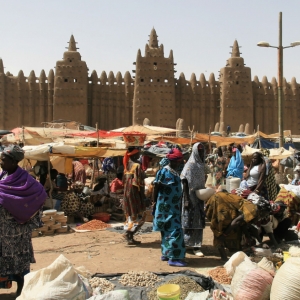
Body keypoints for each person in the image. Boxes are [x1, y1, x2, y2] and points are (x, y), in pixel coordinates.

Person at [0, 145, 47, 296]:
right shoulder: (3, 176)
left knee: (20, 262)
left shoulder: (27, 180)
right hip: (2, 232)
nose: (1, 161)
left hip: (19, 233)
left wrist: (26, 218)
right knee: (2, 261)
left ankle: (21, 290)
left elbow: (39, 196)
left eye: (4, 159)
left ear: (13, 162)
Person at [205, 192, 271, 261]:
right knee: (220, 229)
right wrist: (224, 235)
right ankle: (223, 257)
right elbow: (236, 222)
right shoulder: (253, 210)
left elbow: (244, 225)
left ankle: (229, 254)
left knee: (234, 231)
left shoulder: (254, 210)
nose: (265, 216)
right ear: (262, 209)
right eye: (266, 213)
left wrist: (260, 242)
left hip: (224, 202)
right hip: (220, 202)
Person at [153, 148, 187, 267]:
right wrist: (154, 202)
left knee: (167, 231)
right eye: (179, 161)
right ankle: (174, 257)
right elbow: (156, 187)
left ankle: (166, 253)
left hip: (173, 208)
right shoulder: (164, 172)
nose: (180, 163)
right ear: (173, 161)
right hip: (166, 208)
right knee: (175, 232)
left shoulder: (174, 171)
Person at [180, 142, 206, 257]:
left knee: (199, 220)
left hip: (200, 196)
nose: (201, 153)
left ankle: (197, 245)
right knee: (188, 220)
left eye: (202, 151)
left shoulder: (201, 165)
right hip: (190, 196)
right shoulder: (190, 165)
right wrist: (186, 199)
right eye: (199, 151)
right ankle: (186, 244)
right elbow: (184, 181)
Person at [122, 147, 146, 245]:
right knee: (140, 215)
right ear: (134, 155)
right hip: (134, 193)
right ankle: (128, 233)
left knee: (131, 215)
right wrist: (143, 196)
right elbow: (139, 182)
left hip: (127, 192)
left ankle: (130, 236)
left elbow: (124, 180)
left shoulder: (127, 165)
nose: (139, 156)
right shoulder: (137, 165)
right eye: (138, 154)